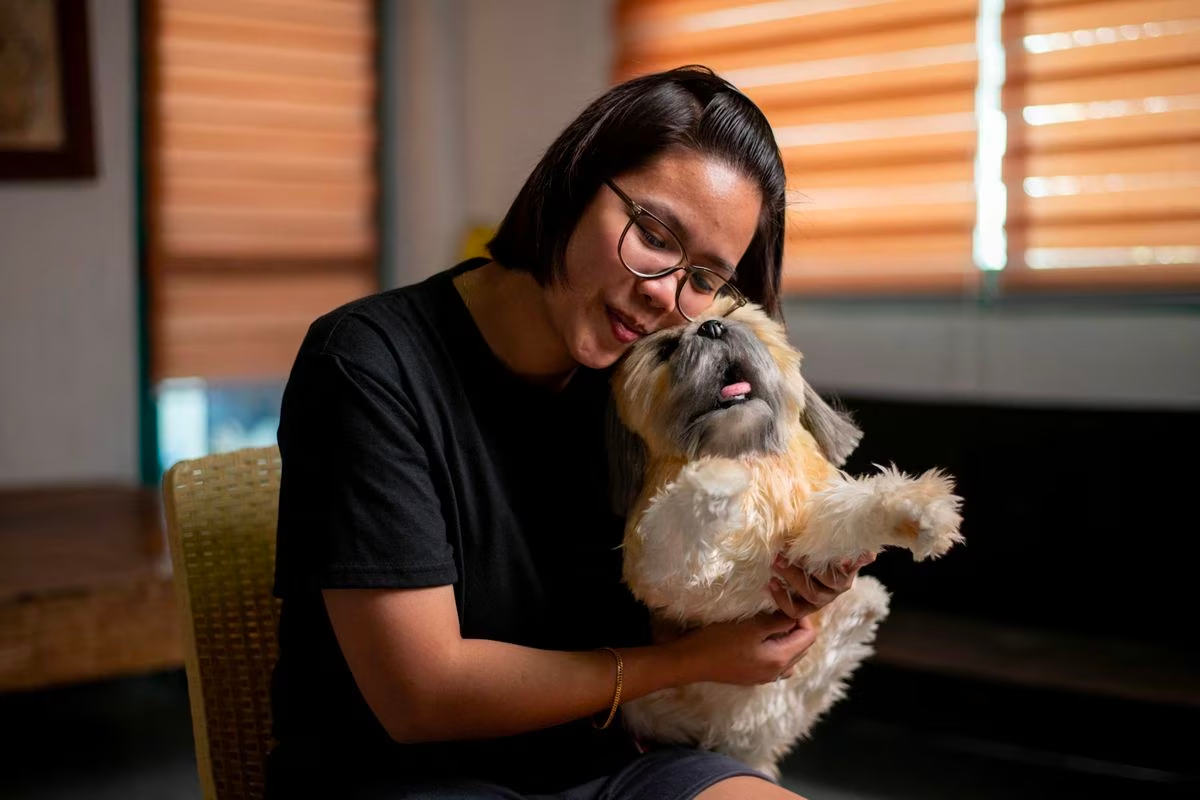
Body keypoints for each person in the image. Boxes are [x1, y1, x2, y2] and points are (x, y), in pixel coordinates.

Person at [265, 65, 875, 800]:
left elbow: (677, 588)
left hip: (613, 763)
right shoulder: (368, 365)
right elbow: (420, 697)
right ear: (574, 181)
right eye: (652, 232)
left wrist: (780, 585)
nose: (663, 294)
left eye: (707, 279)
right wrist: (693, 662)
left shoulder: (645, 390)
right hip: (402, 779)